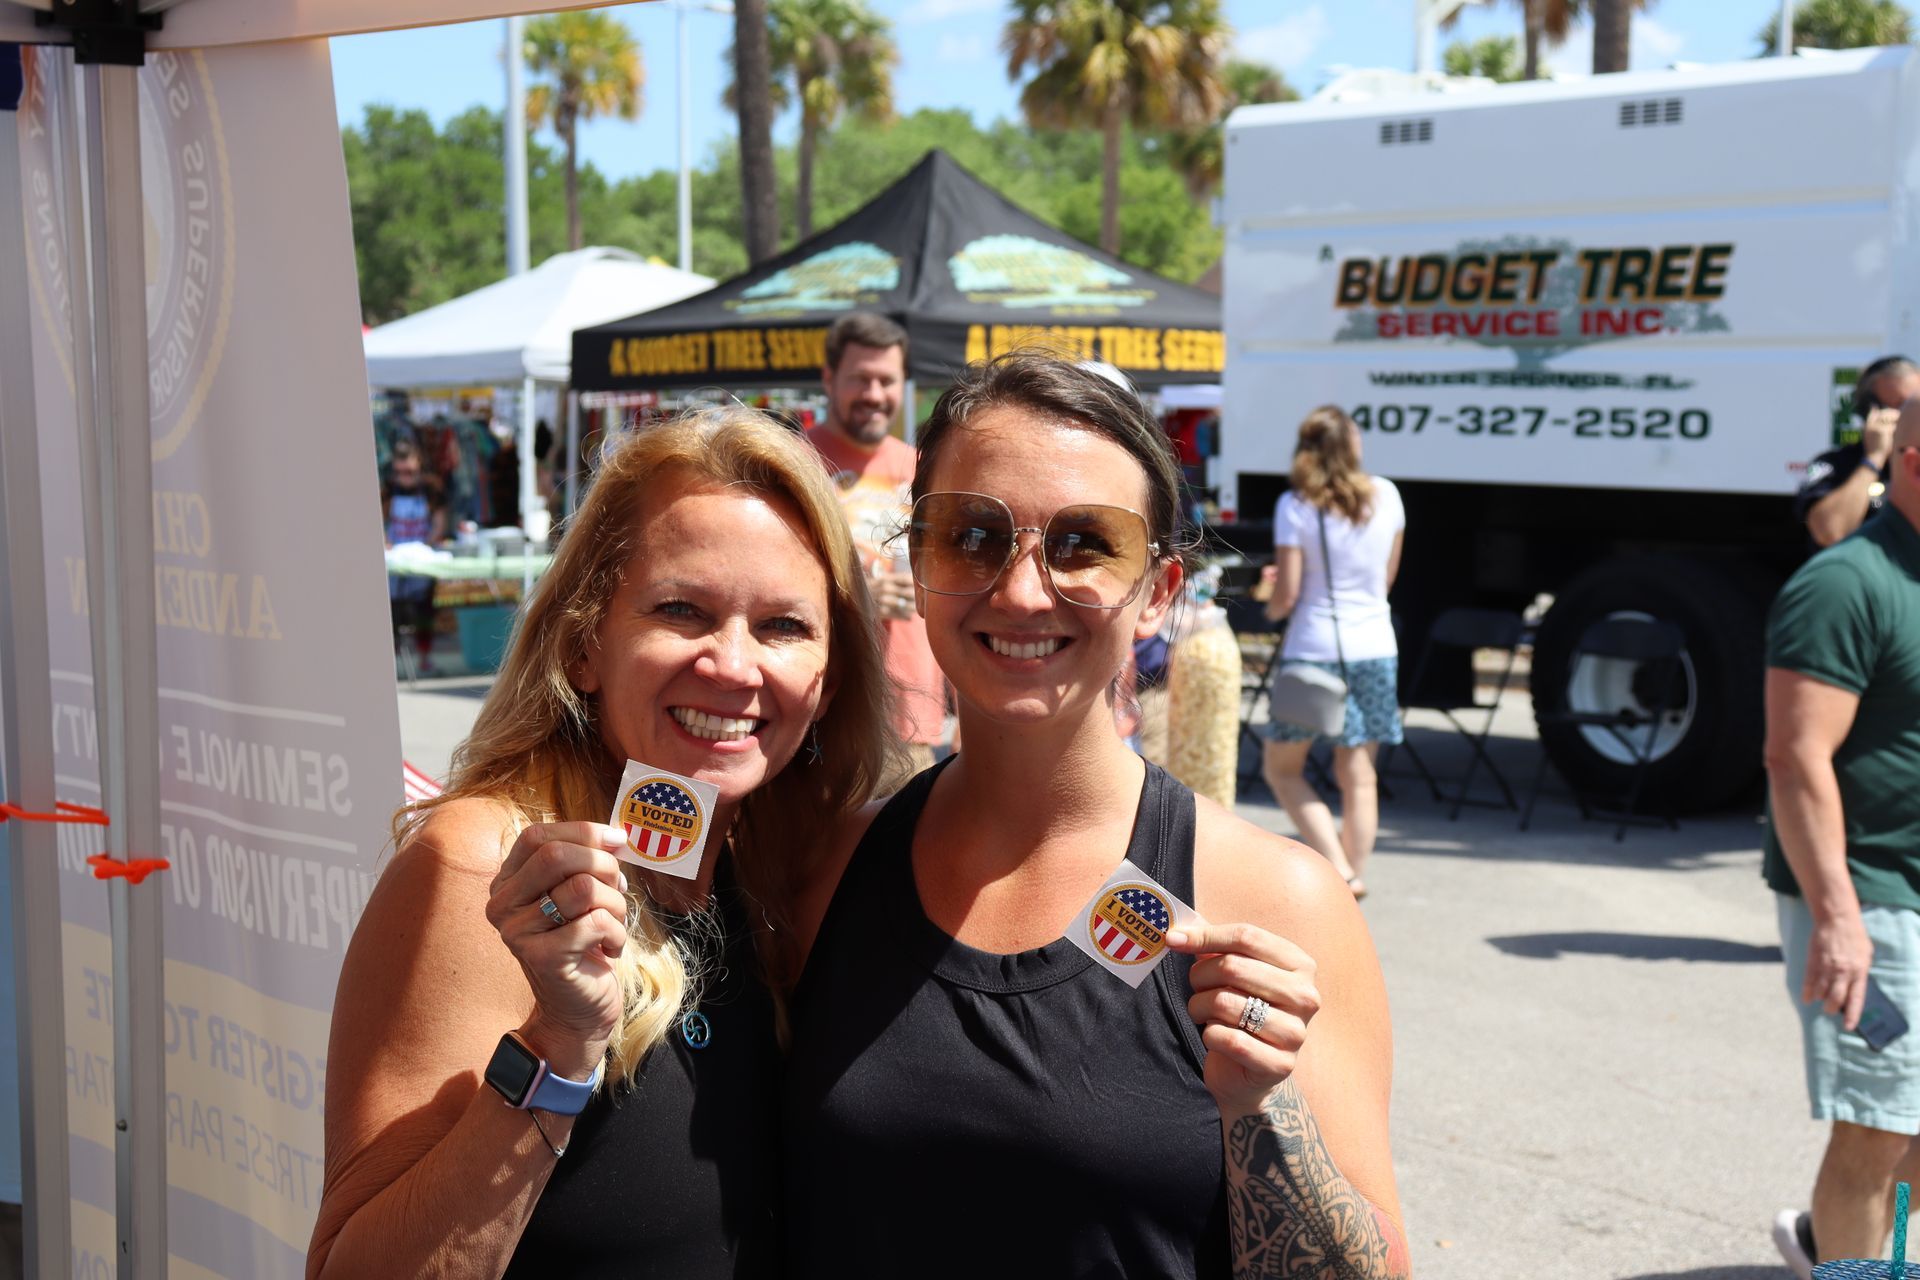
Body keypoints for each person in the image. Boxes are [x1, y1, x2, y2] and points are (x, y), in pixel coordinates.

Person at [785, 354, 1408, 1277]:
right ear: (918, 563)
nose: (1022, 590)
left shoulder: (1279, 901)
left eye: (1085, 543)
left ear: (1158, 591)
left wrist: (1263, 1107)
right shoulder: (831, 869)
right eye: (972, 535)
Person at [310, 408, 895, 1278]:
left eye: (783, 626)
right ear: (585, 643)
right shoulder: (483, 867)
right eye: (681, 610)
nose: (733, 665)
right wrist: (560, 1043)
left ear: (829, 679)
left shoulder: (776, 873)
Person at [1764, 397, 1920, 1279]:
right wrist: (1838, 917)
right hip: (1872, 901)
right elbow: (1794, 757)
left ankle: (1836, 1247)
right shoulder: (1844, 584)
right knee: (1877, 1128)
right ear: (1914, 464)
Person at [1258, 406, 1406, 900]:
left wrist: (1267, 604)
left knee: (1282, 769)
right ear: (1353, 446)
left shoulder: (1296, 505)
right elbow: (1385, 579)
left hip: (1314, 649)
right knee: (1358, 775)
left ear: (1307, 450)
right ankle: (1352, 880)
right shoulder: (1388, 496)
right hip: (1376, 646)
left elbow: (1288, 594)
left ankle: (1339, 870)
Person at [804, 312, 947, 779]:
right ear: (829, 379)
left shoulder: (922, 468)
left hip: (911, 718)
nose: (873, 394)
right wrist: (856, 595)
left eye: (886, 380)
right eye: (859, 379)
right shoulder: (795, 463)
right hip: (821, 715)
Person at [1798, 355, 1919, 548]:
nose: (1914, 413)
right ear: (1871, 412)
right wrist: (1874, 458)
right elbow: (1831, 532)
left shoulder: (1914, 463)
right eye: (1904, 405)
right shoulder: (1831, 465)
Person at [383, 439, 447, 675]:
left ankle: (424, 657)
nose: (404, 477)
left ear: (418, 464)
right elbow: (379, 520)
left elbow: (439, 521)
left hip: (421, 559)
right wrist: (387, 544)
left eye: (409, 472)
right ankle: (389, 662)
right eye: (400, 472)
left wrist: (427, 544)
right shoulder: (387, 489)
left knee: (424, 611)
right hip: (395, 560)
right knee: (391, 612)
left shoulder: (431, 488)